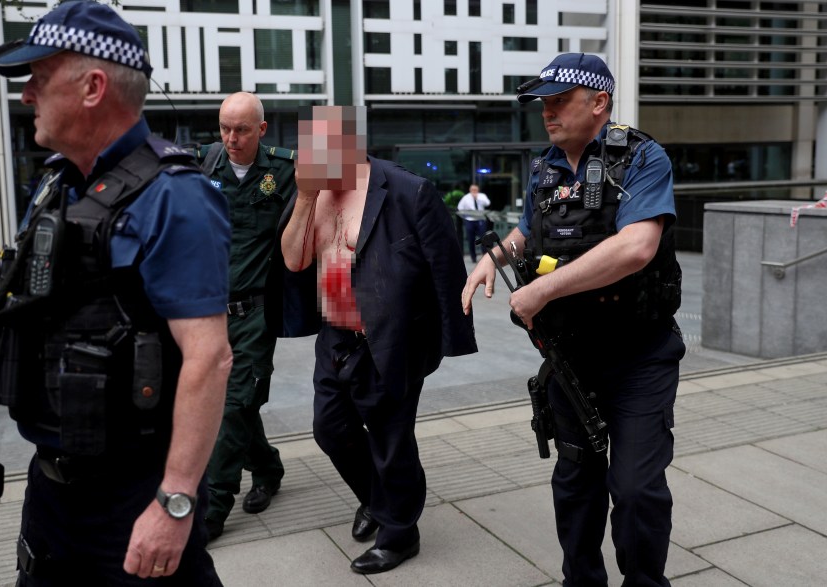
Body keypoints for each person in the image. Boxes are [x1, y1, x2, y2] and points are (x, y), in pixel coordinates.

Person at [0, 2, 230, 584]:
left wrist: (175, 504)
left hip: (135, 496)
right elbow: (41, 308)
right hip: (52, 492)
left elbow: (210, 356)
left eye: (38, 79)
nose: (26, 96)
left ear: (93, 87)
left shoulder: (176, 198)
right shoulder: (56, 186)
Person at [462, 52, 684, 586]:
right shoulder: (546, 167)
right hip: (570, 357)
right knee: (575, 482)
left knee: (635, 490)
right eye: (544, 103)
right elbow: (526, 231)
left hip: (638, 356)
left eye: (560, 100)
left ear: (599, 102)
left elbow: (635, 248)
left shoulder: (642, 158)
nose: (548, 111)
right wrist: (491, 260)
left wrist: (541, 291)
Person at [279, 105, 477, 574]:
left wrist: (444, 342)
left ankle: (399, 533)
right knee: (329, 429)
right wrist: (306, 198)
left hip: (389, 337)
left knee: (391, 440)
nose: (314, 160)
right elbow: (292, 261)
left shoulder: (407, 190)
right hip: (334, 334)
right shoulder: (311, 193)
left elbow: (446, 268)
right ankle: (380, 498)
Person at [197, 92, 294, 540]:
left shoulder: (286, 169)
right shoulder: (201, 166)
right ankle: (268, 468)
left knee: (233, 406)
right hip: (207, 314)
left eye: (240, 130)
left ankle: (214, 507)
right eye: (224, 129)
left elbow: (339, 193)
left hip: (255, 312)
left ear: (262, 129)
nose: (231, 139)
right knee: (237, 404)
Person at [456, 184, 491, 262]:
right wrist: (465, 217)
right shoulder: (466, 197)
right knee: (471, 239)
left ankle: (485, 255)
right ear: (470, 190)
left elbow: (488, 203)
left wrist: (477, 199)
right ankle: (473, 257)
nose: (474, 191)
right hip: (470, 220)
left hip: (480, 219)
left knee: (483, 238)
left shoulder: (482, 196)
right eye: (473, 190)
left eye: (476, 190)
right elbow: (460, 208)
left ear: (478, 190)